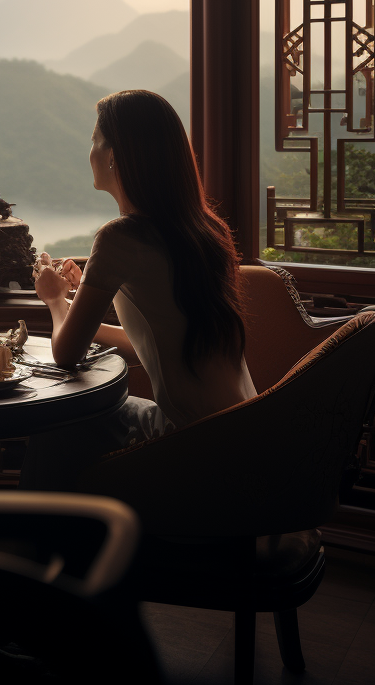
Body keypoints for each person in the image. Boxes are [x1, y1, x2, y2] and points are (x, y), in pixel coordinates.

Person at [22, 89, 255, 490]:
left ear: (115, 155)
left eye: (95, 140)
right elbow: (151, 340)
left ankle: (47, 540)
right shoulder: (205, 230)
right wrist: (78, 303)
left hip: (191, 443)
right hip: (243, 434)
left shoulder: (121, 236)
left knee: (57, 420)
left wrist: (54, 298)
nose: (90, 151)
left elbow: (65, 353)